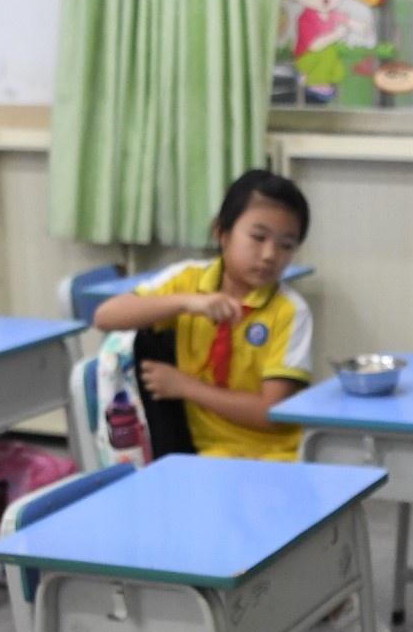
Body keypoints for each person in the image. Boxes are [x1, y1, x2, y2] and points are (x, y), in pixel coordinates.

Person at [88, 170, 315, 460]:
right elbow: (106, 317)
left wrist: (186, 387)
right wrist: (185, 303)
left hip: (277, 454)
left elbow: (270, 414)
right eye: (258, 237)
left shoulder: (290, 311)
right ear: (221, 232)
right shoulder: (187, 280)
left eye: (287, 245)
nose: (270, 255)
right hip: (209, 454)